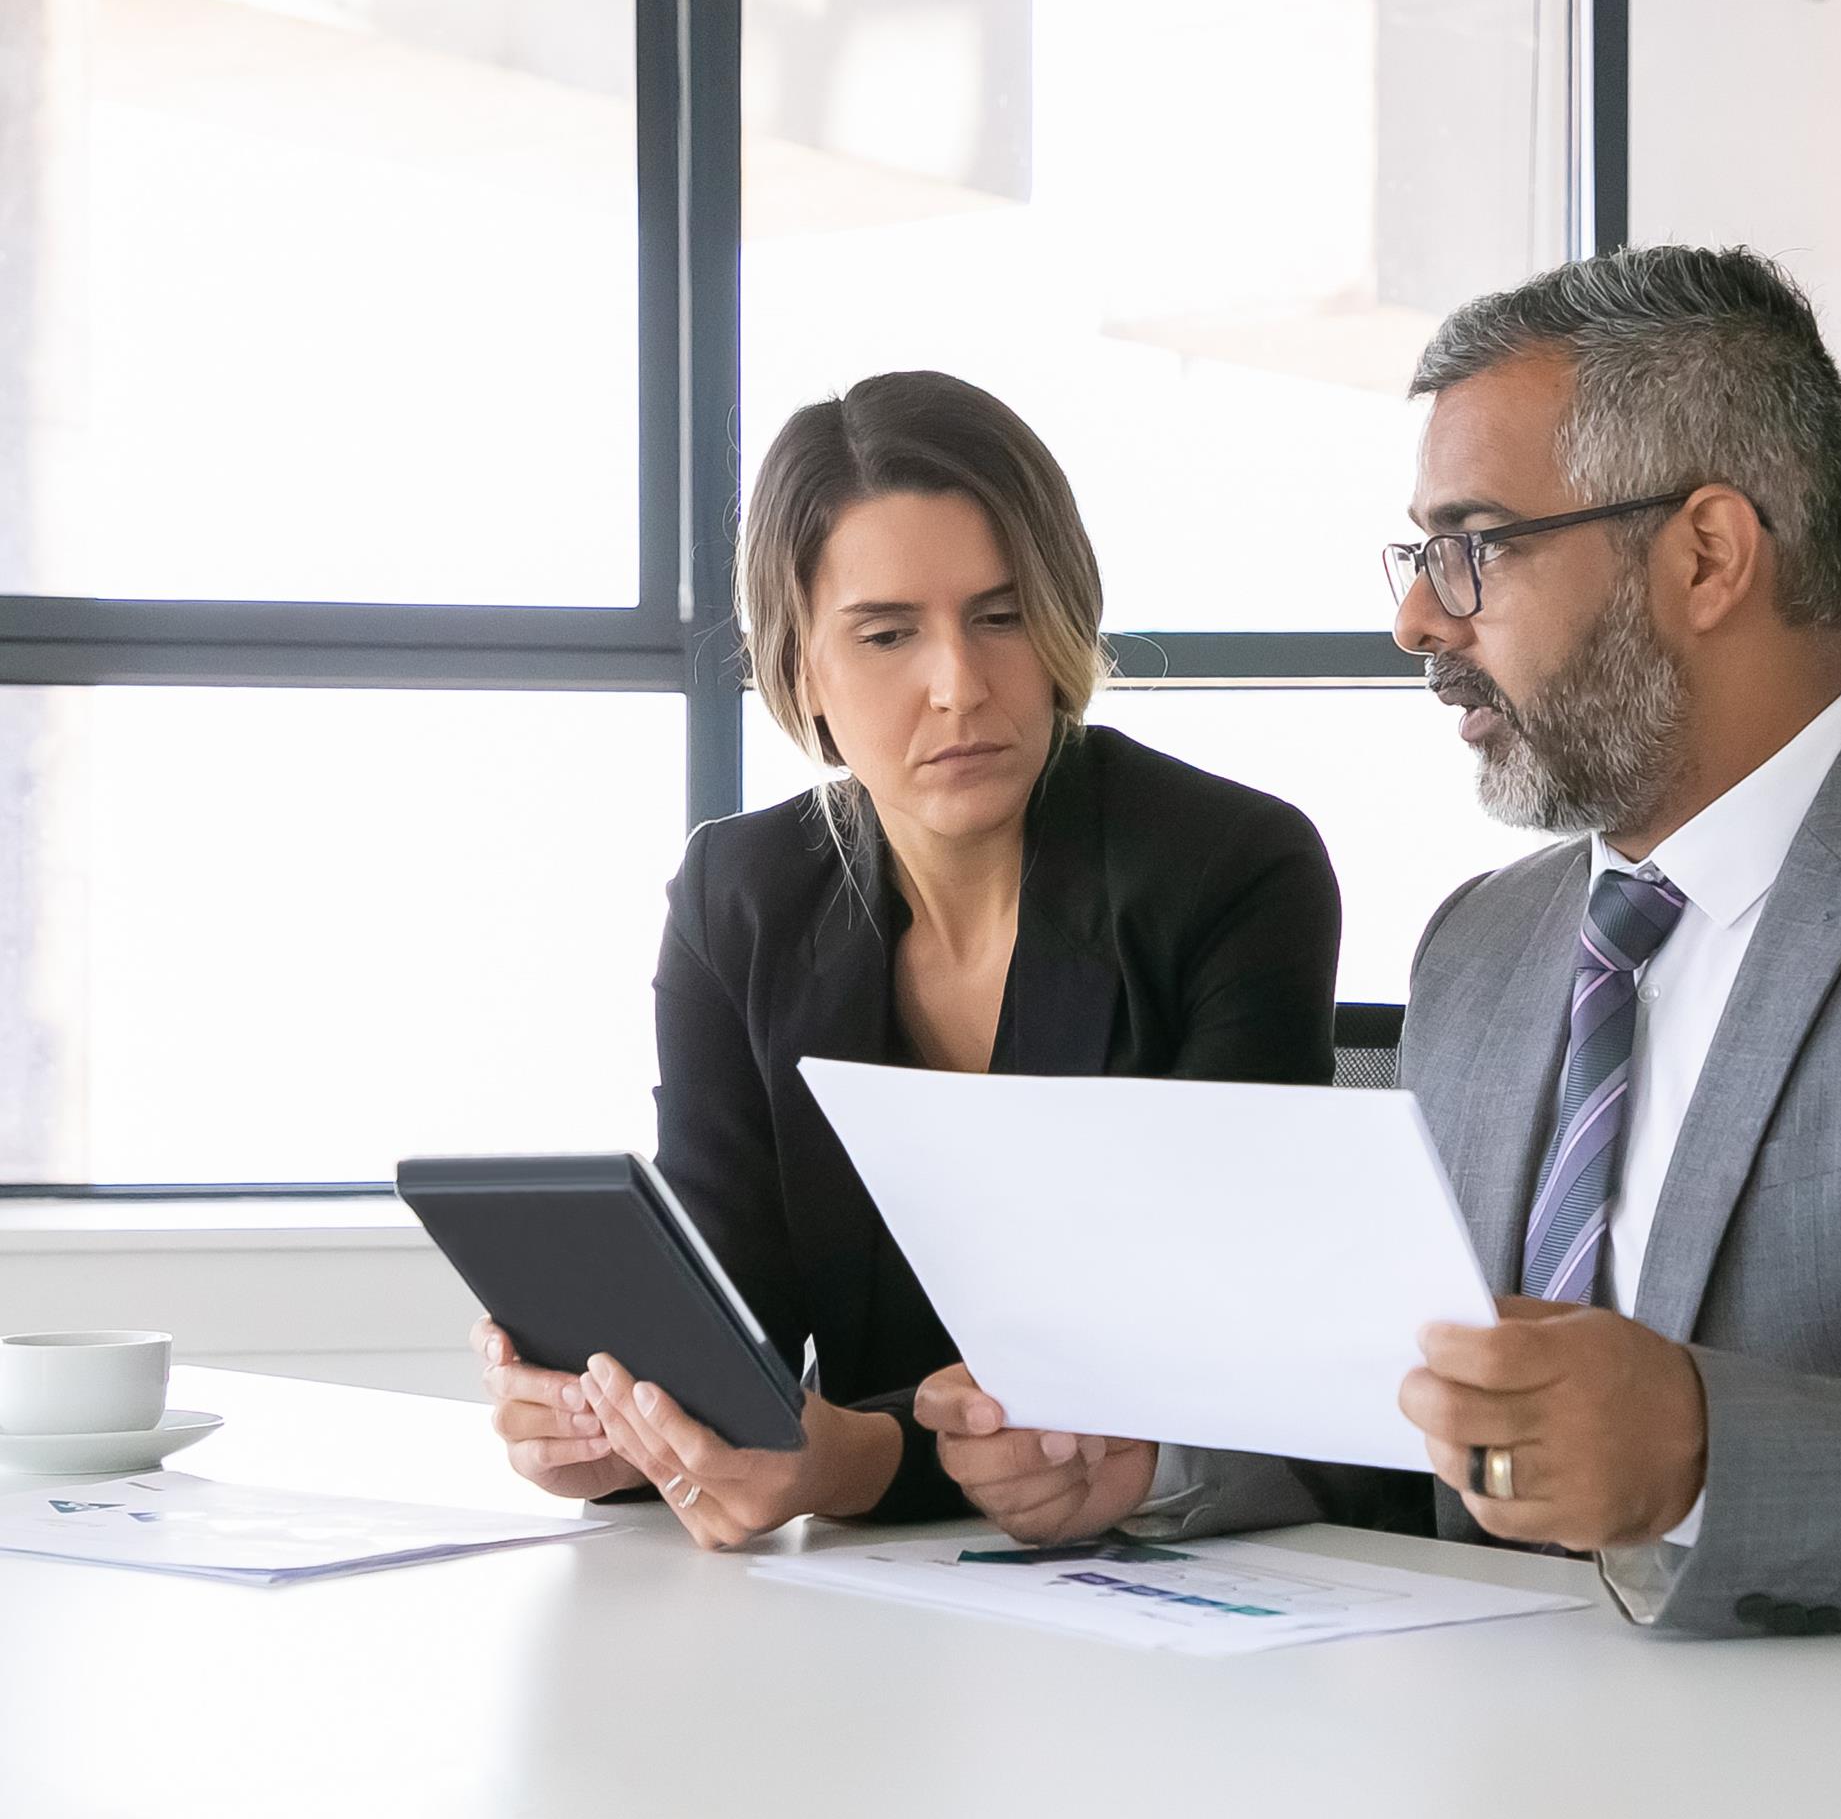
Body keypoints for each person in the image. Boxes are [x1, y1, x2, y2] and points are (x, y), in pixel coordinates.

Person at [920, 245, 1841, 1636]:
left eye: (1474, 546)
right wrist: (1151, 1460)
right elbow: (1406, 1445)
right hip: (1469, 1795)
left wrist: (1701, 1455)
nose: (1415, 617)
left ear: (1707, 556)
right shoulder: (1482, 950)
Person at [474, 369, 1342, 1545]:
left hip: (1172, 1574)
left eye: (998, 615)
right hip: (868, 1606)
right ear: (800, 671)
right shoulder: (740, 900)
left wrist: (856, 1456)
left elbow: (1182, 1368)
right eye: (885, 634)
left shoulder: (1233, 868)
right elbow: (733, 1350)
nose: (960, 683)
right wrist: (610, 1430)